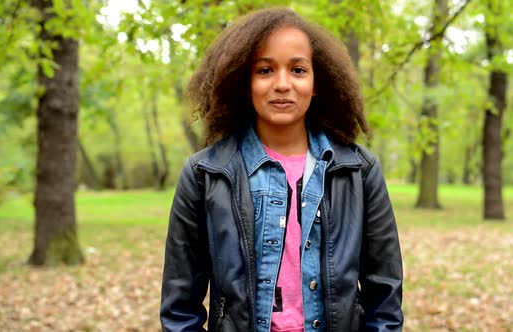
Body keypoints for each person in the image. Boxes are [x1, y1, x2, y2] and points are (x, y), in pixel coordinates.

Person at [160, 7, 403, 332]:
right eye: (265, 70)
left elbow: (384, 297)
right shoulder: (205, 174)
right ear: (243, 81)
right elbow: (180, 308)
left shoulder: (359, 171)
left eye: (298, 69)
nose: (283, 84)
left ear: (318, 82)